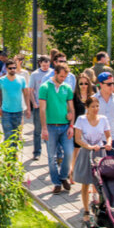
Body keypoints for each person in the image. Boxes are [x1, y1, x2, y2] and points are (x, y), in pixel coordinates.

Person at [39, 61, 75, 194]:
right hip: (50, 126)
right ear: (55, 73)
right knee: (51, 156)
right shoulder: (45, 87)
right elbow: (42, 109)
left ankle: (63, 176)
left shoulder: (67, 88)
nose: (63, 79)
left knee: (69, 153)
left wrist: (71, 125)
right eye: (61, 77)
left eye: (65, 77)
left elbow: (71, 107)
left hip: (65, 126)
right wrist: (44, 128)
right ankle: (56, 182)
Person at [73, 97, 111, 221]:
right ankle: (86, 210)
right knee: (86, 182)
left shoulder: (103, 119)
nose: (96, 109)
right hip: (87, 151)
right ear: (87, 108)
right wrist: (88, 146)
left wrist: (108, 143)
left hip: (99, 150)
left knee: (101, 182)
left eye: (97, 106)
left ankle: (101, 207)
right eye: (93, 106)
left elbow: (108, 135)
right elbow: (78, 138)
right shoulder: (81, 120)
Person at [0, 58, 29, 151]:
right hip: (6, 112)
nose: (13, 70)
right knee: (8, 136)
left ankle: (14, 155)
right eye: (10, 68)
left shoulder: (21, 79)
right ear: (6, 69)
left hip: (18, 111)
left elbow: (26, 93)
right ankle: (8, 159)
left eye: (14, 68)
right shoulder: (1, 80)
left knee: (16, 136)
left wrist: (28, 108)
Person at [93, 72, 114, 156]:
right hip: (97, 140)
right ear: (101, 84)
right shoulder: (93, 99)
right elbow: (87, 120)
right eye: (109, 84)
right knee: (96, 167)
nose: (112, 87)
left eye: (113, 84)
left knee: (113, 167)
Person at [28, 56, 52, 161]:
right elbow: (30, 90)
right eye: (44, 65)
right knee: (38, 130)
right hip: (39, 106)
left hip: (51, 107)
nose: (46, 67)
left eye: (47, 65)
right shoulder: (35, 74)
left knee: (51, 130)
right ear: (40, 63)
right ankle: (37, 152)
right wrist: (34, 103)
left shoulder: (53, 72)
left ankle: (51, 152)